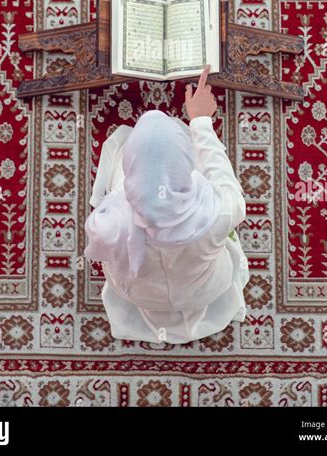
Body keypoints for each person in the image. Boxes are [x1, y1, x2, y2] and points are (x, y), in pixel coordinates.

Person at [84, 65, 249, 344]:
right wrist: (199, 123)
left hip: (138, 294)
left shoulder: (108, 221)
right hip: (205, 290)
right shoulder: (220, 210)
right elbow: (220, 171)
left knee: (123, 144)